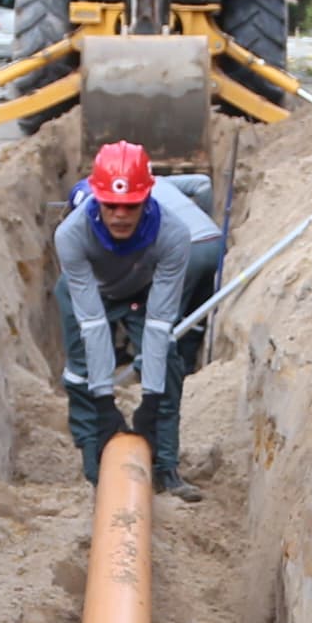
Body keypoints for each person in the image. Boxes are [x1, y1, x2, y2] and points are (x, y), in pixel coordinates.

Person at [53, 140, 225, 501]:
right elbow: (93, 325)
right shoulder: (71, 234)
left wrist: (149, 397)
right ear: (97, 199)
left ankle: (165, 467)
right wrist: (104, 401)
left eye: (129, 205)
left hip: (144, 288)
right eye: (110, 204)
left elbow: (161, 322)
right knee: (82, 371)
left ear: (147, 198)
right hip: (91, 290)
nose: (119, 215)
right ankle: (95, 463)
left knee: (166, 364)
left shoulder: (173, 234)